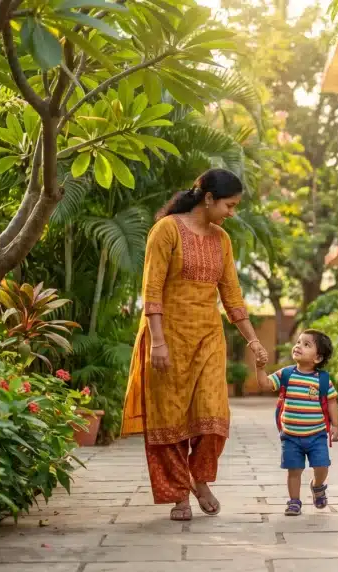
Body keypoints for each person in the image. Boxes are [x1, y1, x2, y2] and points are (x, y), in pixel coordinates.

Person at [122, 169, 268, 521]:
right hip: (167, 337)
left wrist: (253, 340)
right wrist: (157, 341)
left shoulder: (222, 239)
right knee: (169, 419)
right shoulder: (167, 230)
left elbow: (231, 294)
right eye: (229, 205)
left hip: (208, 338)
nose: (232, 212)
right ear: (208, 198)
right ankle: (179, 496)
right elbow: (152, 289)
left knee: (213, 416)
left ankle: (199, 479)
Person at [258, 330, 338, 516]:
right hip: (291, 436)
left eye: (306, 344)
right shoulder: (285, 374)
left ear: (317, 358)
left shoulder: (323, 380)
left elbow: (333, 402)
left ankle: (317, 486)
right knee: (293, 470)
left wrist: (335, 426)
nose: (298, 346)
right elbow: (264, 384)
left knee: (322, 466)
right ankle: (294, 501)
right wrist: (259, 368)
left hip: (317, 434)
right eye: (298, 342)